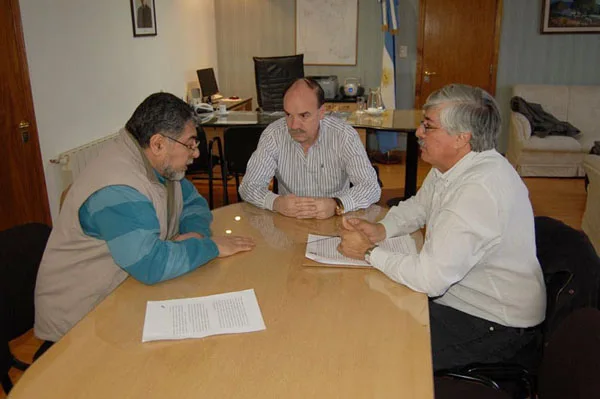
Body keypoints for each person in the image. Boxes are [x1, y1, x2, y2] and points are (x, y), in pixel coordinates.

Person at [337, 84, 546, 371]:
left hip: (494, 324)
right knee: (368, 313)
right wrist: (381, 230)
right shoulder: (454, 166)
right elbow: (419, 207)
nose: (419, 133)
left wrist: (369, 252)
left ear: (462, 138)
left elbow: (429, 278)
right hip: (462, 301)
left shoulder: (478, 190)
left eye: (428, 126)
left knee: (374, 350)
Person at [34, 93, 255, 344]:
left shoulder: (159, 164)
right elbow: (152, 264)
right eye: (190, 143)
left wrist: (196, 234)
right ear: (158, 143)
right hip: (79, 326)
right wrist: (211, 246)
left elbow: (193, 203)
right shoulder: (118, 188)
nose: (196, 153)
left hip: (123, 299)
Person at [239, 78, 381, 220]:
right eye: (288, 115)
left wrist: (336, 204)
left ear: (321, 112)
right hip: (289, 222)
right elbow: (249, 186)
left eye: (304, 115)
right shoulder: (274, 135)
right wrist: (276, 203)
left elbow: (371, 187)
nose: (294, 126)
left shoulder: (343, 135)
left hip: (334, 220)